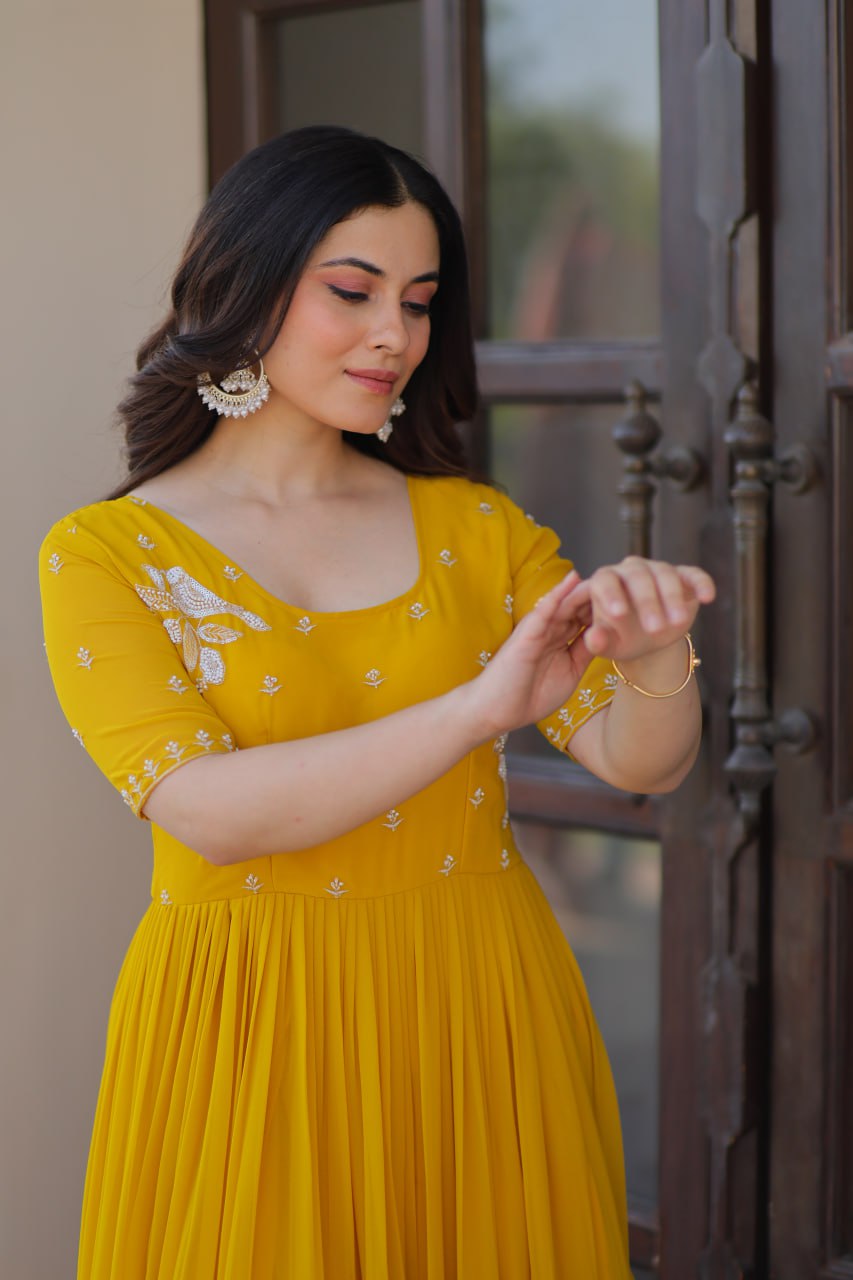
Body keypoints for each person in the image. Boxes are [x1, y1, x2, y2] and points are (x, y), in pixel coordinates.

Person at [39, 125, 715, 1279]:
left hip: (479, 999)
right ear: (245, 287)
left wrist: (656, 662)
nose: (393, 334)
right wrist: (475, 708)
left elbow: (635, 759)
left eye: (419, 300)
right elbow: (206, 808)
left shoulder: (475, 527)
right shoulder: (108, 552)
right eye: (350, 291)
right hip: (252, 1027)